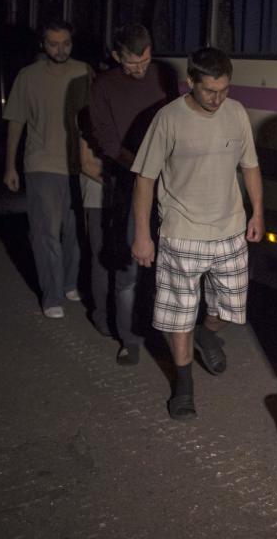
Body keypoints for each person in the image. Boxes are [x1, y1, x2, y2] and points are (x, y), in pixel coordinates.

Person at [130, 47, 264, 420]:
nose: (217, 98)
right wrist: (143, 234)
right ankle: (184, 384)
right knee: (179, 316)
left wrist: (258, 213)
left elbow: (250, 165)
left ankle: (208, 333)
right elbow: (144, 179)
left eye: (224, 90)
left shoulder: (235, 112)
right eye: (209, 91)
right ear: (191, 82)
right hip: (181, 231)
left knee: (230, 307)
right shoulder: (168, 118)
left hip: (230, 230)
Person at [85, 24, 177, 364]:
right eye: (132, 63)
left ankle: (165, 331)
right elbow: (107, 141)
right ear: (116, 56)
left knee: (168, 264)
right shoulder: (104, 85)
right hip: (129, 181)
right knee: (130, 266)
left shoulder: (163, 75)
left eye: (145, 60)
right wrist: (142, 167)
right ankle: (129, 337)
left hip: (170, 181)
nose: (140, 69)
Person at [2, 20, 90, 319]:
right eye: (53, 43)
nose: (60, 49)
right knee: (46, 233)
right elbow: (16, 121)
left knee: (76, 233)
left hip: (77, 166)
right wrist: (9, 165)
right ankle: (51, 295)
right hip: (41, 164)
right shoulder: (28, 76)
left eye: (65, 42)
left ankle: (69, 282)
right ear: (43, 44)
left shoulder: (83, 71)